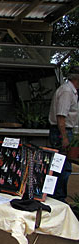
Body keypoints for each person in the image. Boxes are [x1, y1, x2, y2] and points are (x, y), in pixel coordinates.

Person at [48, 66, 79, 203]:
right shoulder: (67, 91)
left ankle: (57, 195)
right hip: (61, 131)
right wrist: (65, 137)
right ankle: (57, 197)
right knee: (61, 165)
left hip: (65, 130)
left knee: (63, 165)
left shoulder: (72, 92)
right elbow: (61, 116)